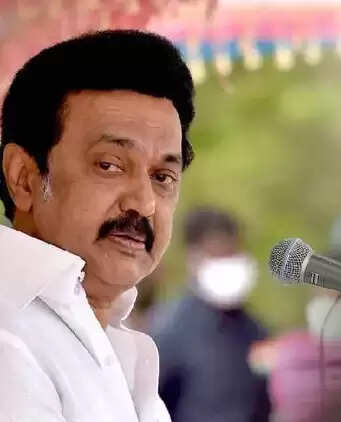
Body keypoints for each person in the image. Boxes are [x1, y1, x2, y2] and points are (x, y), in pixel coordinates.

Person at [0, 30, 195, 421]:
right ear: (24, 178)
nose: (144, 203)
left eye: (163, 177)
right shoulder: (9, 337)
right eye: (109, 165)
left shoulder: (112, 341)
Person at [150, 207, 271, 422]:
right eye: (218, 256)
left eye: (232, 254)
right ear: (193, 259)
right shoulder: (167, 330)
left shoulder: (255, 331)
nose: (227, 266)